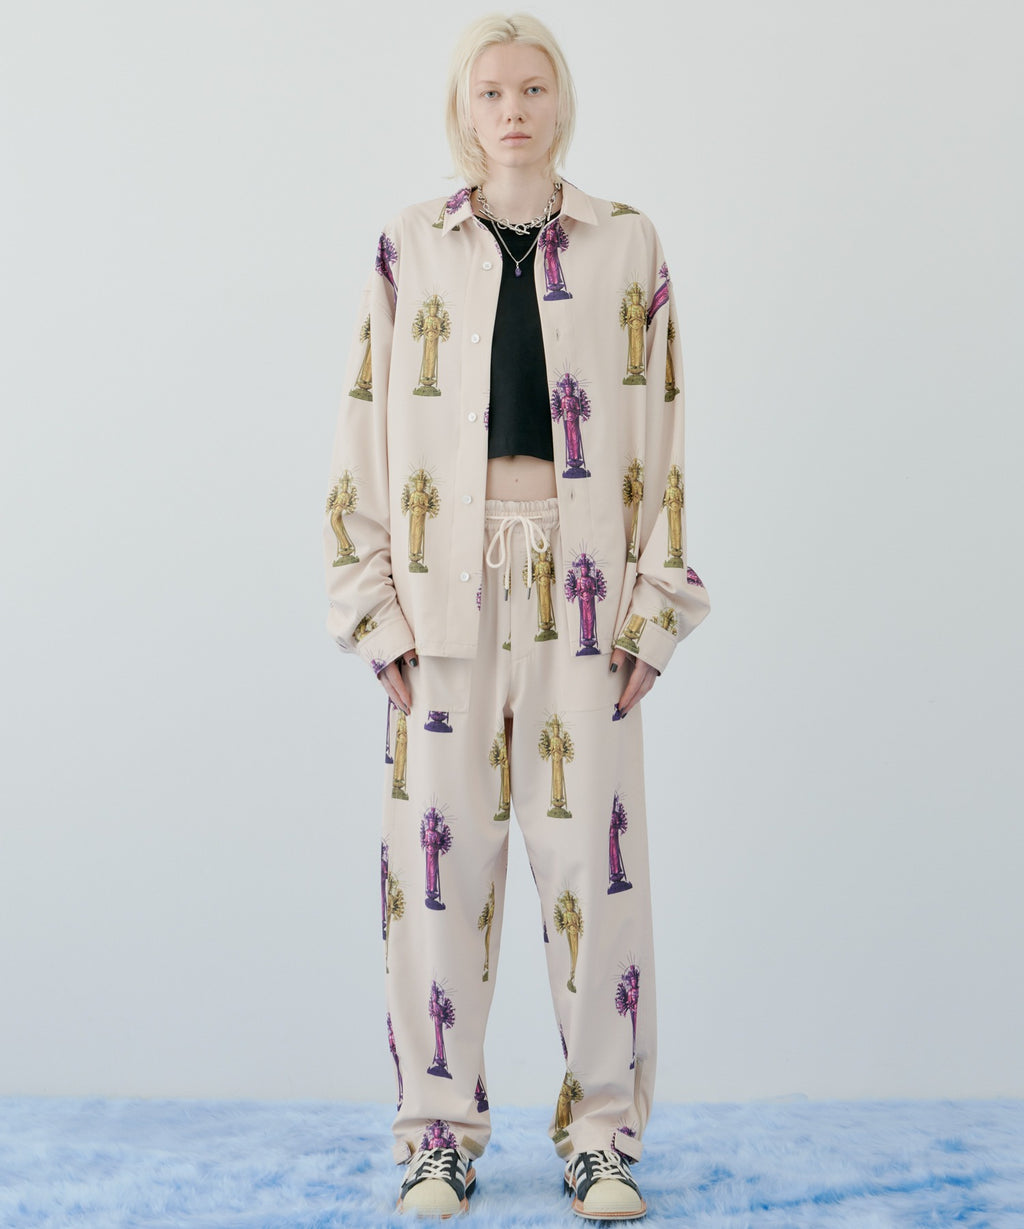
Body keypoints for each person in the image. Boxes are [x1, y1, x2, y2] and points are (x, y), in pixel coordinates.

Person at [322, 11, 711, 1220]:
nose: (512, 110)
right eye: (490, 91)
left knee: (595, 870)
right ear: (463, 107)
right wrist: (371, 607)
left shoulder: (626, 243)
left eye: (532, 88)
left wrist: (653, 611)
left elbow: (665, 428)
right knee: (436, 869)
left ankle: (601, 1135)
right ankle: (437, 1136)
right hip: (442, 590)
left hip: (581, 588)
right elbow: (362, 426)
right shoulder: (408, 247)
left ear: (560, 102)